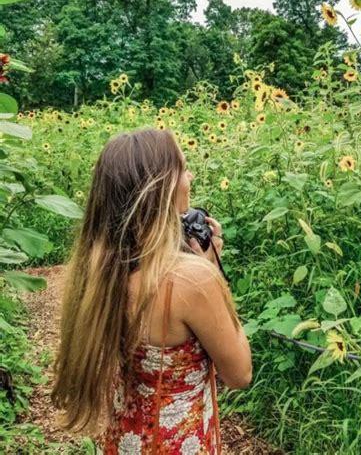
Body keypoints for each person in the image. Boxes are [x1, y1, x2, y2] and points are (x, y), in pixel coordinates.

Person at [50, 128, 252, 454]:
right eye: (184, 168)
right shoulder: (191, 281)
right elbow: (239, 373)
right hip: (179, 444)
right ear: (163, 187)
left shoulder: (98, 271)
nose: (191, 176)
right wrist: (213, 270)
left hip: (125, 439)